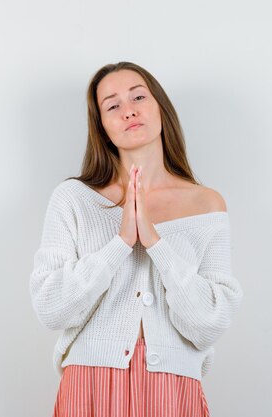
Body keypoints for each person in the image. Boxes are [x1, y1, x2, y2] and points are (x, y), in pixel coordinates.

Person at [29, 61, 244, 417]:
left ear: (160, 107)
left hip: (174, 390)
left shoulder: (207, 204)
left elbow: (209, 324)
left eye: (138, 97)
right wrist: (121, 243)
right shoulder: (74, 198)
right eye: (112, 105)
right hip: (90, 387)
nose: (128, 110)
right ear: (103, 127)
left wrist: (156, 244)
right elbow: (51, 308)